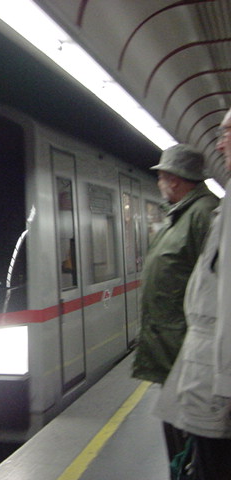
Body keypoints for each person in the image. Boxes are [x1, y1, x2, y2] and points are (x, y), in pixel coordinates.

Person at [154, 108, 231, 479]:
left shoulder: (202, 213)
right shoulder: (194, 212)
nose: (220, 144)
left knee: (207, 463)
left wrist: (225, 384)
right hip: (191, 356)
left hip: (203, 364)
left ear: (174, 179)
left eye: (227, 133)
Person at [132, 143, 219, 462]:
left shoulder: (203, 214)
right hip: (172, 348)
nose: (159, 183)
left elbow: (214, 285)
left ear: (174, 179)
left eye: (161, 176)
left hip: (185, 352)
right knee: (178, 439)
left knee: (190, 447)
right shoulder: (182, 214)